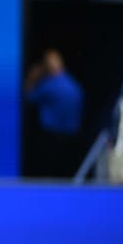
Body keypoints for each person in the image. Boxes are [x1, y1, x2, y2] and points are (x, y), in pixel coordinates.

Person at [24, 49, 84, 177]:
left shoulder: (49, 85)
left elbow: (28, 97)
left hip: (51, 138)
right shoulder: (73, 84)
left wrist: (32, 78)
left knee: (49, 172)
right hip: (70, 137)